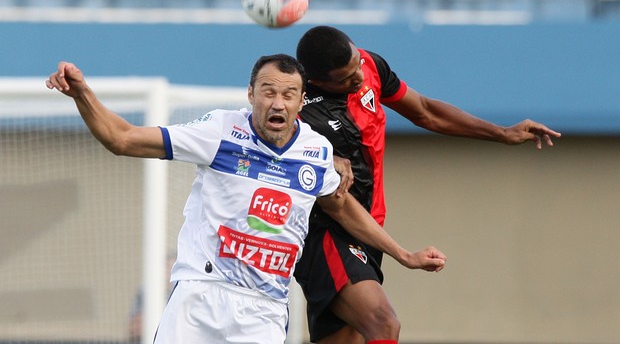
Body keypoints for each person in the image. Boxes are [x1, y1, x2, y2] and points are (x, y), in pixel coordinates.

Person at [45, 54, 447, 344]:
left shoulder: (316, 151)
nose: (278, 102)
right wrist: (83, 94)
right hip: (200, 294)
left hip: (264, 309)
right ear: (250, 93)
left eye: (289, 94)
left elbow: (341, 206)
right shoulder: (220, 132)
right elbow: (122, 139)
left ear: (300, 101)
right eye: (268, 91)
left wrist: (403, 254)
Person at [293, 26, 562, 344]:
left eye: (357, 66)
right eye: (348, 79)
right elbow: (327, 193)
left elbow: (425, 111)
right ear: (319, 81)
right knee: (383, 324)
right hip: (327, 233)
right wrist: (404, 254)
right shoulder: (306, 115)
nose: (359, 79)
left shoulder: (369, 65)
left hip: (369, 231)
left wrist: (502, 134)